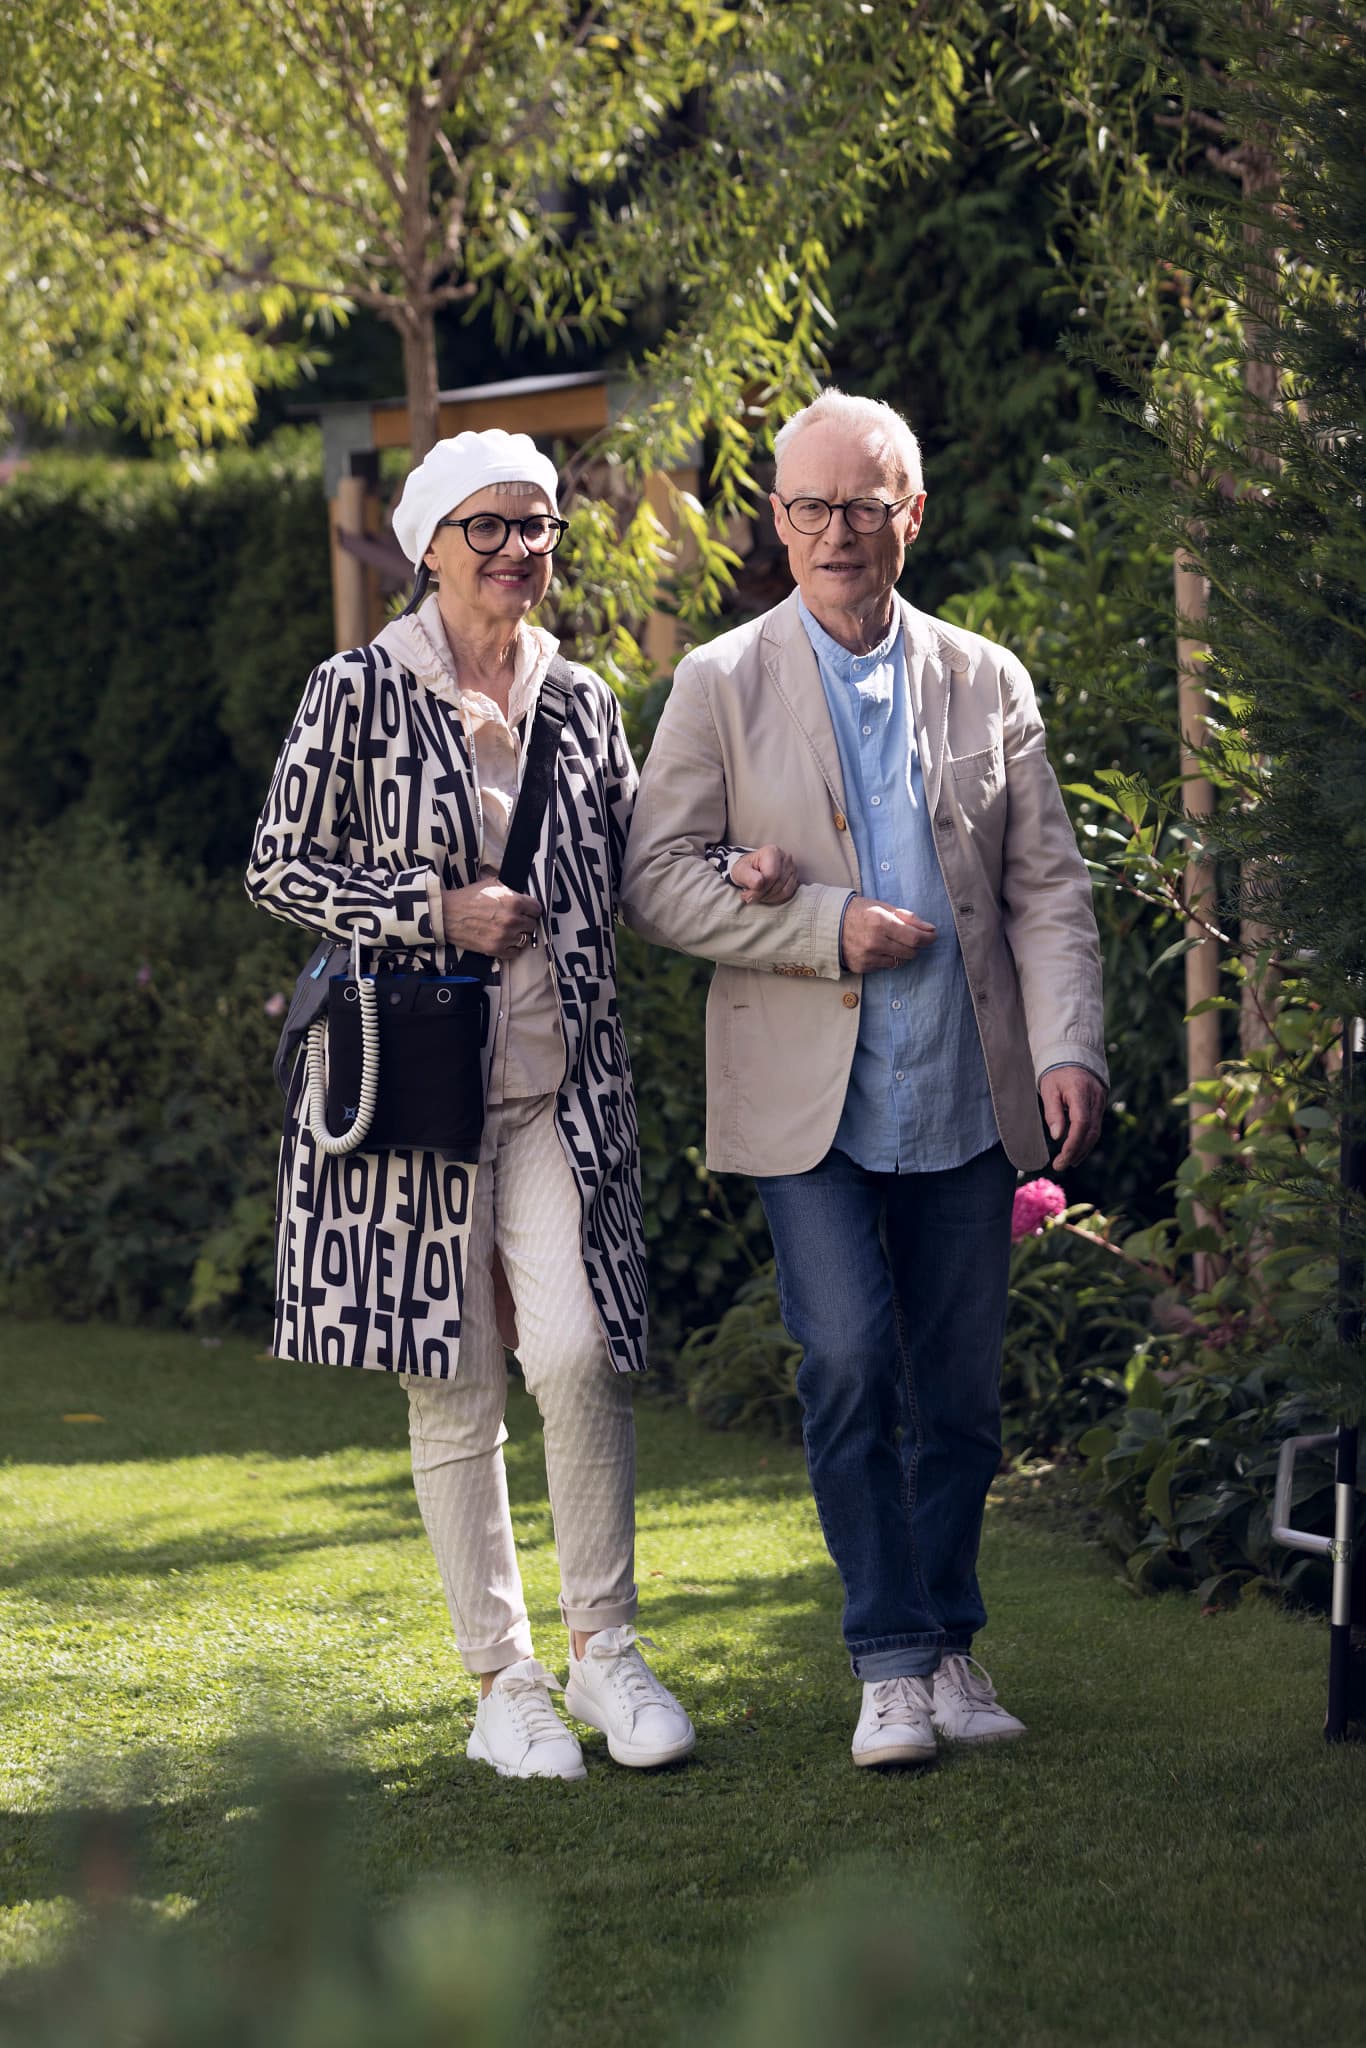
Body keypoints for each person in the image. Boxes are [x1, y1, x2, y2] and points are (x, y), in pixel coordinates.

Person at [620, 389, 1106, 1767]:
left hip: (962, 1094)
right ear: (775, 521)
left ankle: (951, 1645)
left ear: (912, 516)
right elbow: (652, 882)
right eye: (811, 507)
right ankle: (885, 1662)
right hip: (805, 1107)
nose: (839, 533)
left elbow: (1046, 889)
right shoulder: (718, 682)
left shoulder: (984, 677)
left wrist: (1069, 1043)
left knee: (957, 1393)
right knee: (842, 1364)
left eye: (866, 506)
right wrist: (816, 923)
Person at [247, 428, 694, 1780]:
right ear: (429, 543)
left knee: (572, 1355)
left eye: (537, 526)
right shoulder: (356, 690)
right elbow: (278, 863)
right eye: (488, 527)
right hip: (410, 1097)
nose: (516, 550)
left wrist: (736, 870)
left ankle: (604, 1652)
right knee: (450, 1385)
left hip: (558, 1090)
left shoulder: (583, 699)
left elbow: (630, 870)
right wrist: (426, 907)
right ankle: (501, 1682)